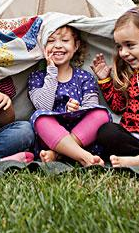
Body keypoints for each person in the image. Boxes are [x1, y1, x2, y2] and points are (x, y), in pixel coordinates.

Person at [91, 4, 139, 168]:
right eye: (119, 46)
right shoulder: (130, 77)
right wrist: (105, 80)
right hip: (130, 138)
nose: (123, 52)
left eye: (130, 45)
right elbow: (118, 106)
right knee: (106, 131)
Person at [28, 25, 110, 166]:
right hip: (51, 137)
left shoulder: (85, 77)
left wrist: (78, 109)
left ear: (76, 45)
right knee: (39, 117)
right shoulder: (36, 78)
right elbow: (43, 106)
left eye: (65, 40)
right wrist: (51, 72)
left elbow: (91, 108)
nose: (58, 46)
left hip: (81, 134)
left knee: (101, 113)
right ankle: (84, 157)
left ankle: (60, 154)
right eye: (51, 41)